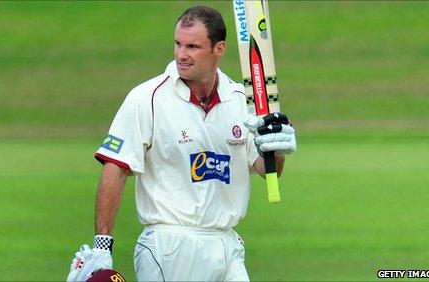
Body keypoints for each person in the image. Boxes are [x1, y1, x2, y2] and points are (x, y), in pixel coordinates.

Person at [67, 5, 296, 282]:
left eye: (192, 46)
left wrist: (273, 147)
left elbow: (266, 169)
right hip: (169, 245)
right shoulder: (148, 98)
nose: (181, 55)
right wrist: (103, 245)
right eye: (178, 44)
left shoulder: (240, 100)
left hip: (226, 244)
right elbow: (115, 168)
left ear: (219, 49)